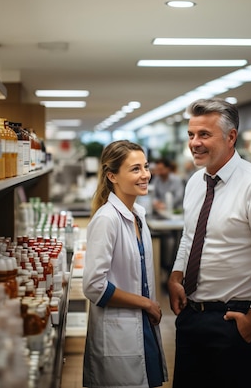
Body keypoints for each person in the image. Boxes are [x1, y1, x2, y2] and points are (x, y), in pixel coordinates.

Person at [167, 98, 251, 388]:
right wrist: (175, 276)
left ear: (231, 136)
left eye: (204, 135)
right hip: (190, 318)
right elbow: (189, 237)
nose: (195, 143)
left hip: (232, 321)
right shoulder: (195, 182)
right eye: (191, 134)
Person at [82, 140, 168, 388]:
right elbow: (93, 286)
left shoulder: (137, 216)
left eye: (146, 167)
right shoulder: (107, 219)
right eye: (135, 169)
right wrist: (145, 303)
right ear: (112, 176)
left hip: (142, 328)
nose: (145, 175)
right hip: (120, 333)